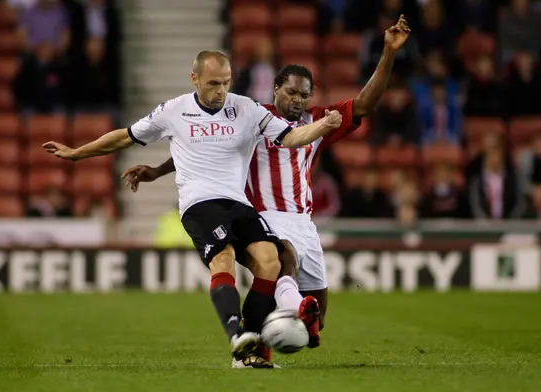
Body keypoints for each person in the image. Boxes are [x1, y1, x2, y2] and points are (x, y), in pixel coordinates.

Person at [122, 15, 410, 363]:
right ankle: (252, 350)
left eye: (304, 94)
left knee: (315, 314)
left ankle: (265, 336)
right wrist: (158, 170)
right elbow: (204, 149)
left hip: (303, 220)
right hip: (263, 214)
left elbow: (364, 104)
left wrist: (388, 53)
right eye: (290, 92)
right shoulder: (253, 116)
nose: (297, 100)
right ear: (276, 89)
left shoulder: (318, 121)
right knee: (280, 261)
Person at [42, 50, 343, 369]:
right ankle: (237, 338)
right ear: (195, 79)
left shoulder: (246, 109)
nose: (221, 91)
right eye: (214, 83)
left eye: (226, 83)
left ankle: (251, 347)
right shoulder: (174, 111)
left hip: (239, 203)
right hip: (200, 204)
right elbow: (125, 137)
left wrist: (323, 125)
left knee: (270, 261)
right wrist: (78, 153)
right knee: (223, 258)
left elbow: (293, 137)